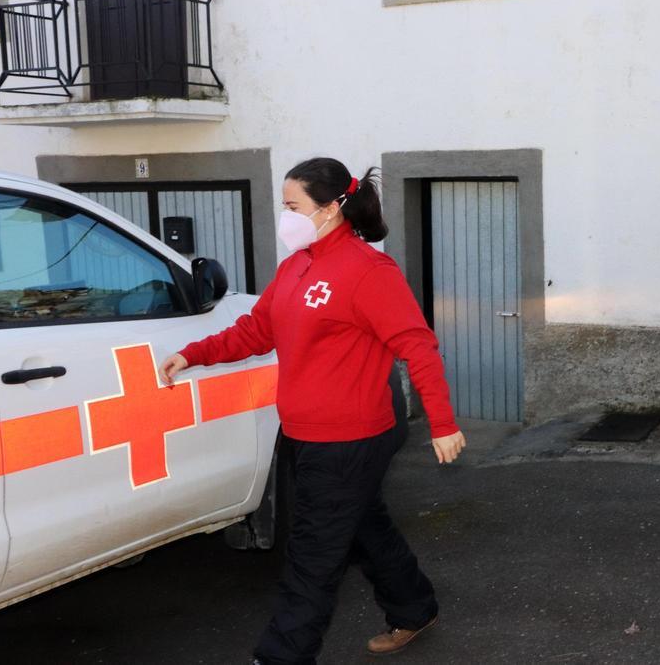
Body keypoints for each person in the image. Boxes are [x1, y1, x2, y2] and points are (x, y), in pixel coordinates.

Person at [159, 157, 466, 664]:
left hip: (351, 437)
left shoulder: (369, 271)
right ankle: (414, 608)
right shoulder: (296, 266)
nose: (286, 216)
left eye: (292, 205)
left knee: (313, 557)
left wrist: (443, 422)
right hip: (305, 432)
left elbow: (418, 346)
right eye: (284, 205)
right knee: (363, 525)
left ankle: (281, 656)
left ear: (330, 209)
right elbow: (256, 331)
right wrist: (195, 352)